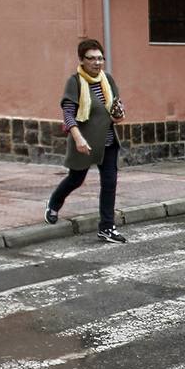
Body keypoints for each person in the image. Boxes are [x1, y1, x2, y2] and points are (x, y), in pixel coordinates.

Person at [46, 38, 127, 243]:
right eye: (91, 58)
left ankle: (106, 228)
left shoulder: (107, 79)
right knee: (76, 179)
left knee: (109, 183)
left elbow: (116, 106)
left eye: (100, 58)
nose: (97, 62)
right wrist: (78, 138)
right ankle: (54, 203)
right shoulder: (75, 82)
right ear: (82, 60)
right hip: (84, 143)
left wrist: (119, 114)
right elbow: (68, 114)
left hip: (108, 142)